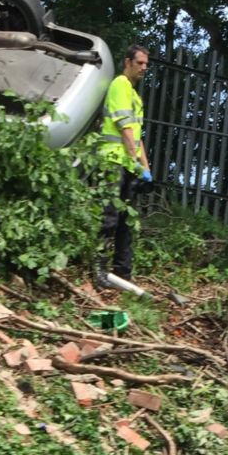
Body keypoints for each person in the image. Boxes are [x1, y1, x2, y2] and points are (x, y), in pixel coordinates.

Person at [97, 44, 151, 283]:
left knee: (125, 223)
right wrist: (137, 163)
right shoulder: (120, 85)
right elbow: (125, 129)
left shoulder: (134, 95)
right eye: (139, 63)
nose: (144, 68)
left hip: (127, 165)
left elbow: (138, 137)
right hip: (113, 161)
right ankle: (98, 268)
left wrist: (146, 169)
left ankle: (122, 273)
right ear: (127, 62)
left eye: (146, 64)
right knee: (109, 217)